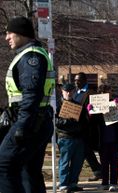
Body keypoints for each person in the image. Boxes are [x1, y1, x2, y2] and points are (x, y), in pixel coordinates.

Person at [0, 16, 55, 193]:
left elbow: (32, 94)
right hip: (37, 121)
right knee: (29, 172)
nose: (6, 37)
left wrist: (21, 127)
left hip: (30, 122)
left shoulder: (30, 57)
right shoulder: (32, 54)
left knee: (4, 165)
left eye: (10, 33)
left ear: (22, 34)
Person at [55, 83, 86, 192]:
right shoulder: (57, 105)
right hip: (65, 137)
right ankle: (63, 184)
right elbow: (56, 121)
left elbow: (83, 121)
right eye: (66, 91)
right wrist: (67, 120)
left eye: (71, 91)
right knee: (64, 162)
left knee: (77, 163)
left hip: (78, 137)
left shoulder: (77, 105)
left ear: (73, 92)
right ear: (62, 92)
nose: (68, 93)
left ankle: (73, 183)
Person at [73, 72, 103, 182]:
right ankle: (98, 170)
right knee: (85, 151)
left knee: (85, 150)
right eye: (75, 80)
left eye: (78, 80)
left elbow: (98, 111)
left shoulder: (91, 94)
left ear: (85, 81)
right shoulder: (75, 93)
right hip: (76, 127)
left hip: (88, 128)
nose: (76, 82)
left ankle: (99, 171)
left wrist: (90, 113)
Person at [97, 84, 118, 192]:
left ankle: (113, 183)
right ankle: (104, 183)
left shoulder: (114, 104)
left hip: (114, 139)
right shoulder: (97, 105)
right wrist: (90, 111)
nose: (107, 95)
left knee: (114, 163)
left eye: (108, 92)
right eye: (104, 92)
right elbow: (92, 121)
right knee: (104, 163)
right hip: (102, 140)